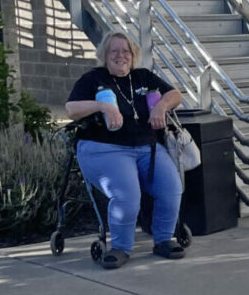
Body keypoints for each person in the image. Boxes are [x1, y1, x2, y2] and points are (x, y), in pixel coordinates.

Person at [65, 30, 186, 270]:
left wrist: (161, 106)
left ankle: (163, 240)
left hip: (146, 148)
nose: (121, 55)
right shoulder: (93, 79)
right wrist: (101, 106)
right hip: (104, 149)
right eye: (114, 51)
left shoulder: (143, 77)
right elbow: (71, 109)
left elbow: (175, 95)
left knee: (172, 188)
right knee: (127, 197)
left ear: (133, 55)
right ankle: (120, 247)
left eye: (126, 51)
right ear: (105, 55)